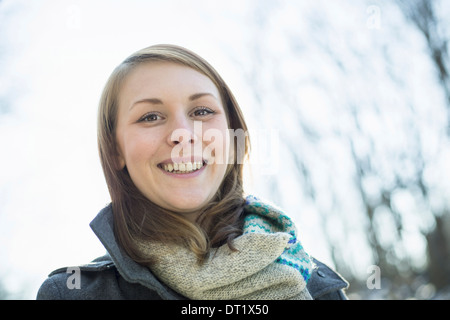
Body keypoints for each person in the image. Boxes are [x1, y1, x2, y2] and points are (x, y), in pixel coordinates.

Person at [36, 44, 348, 300]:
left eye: (202, 112)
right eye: (151, 116)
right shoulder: (71, 295)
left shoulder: (318, 287)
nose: (183, 133)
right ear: (116, 149)